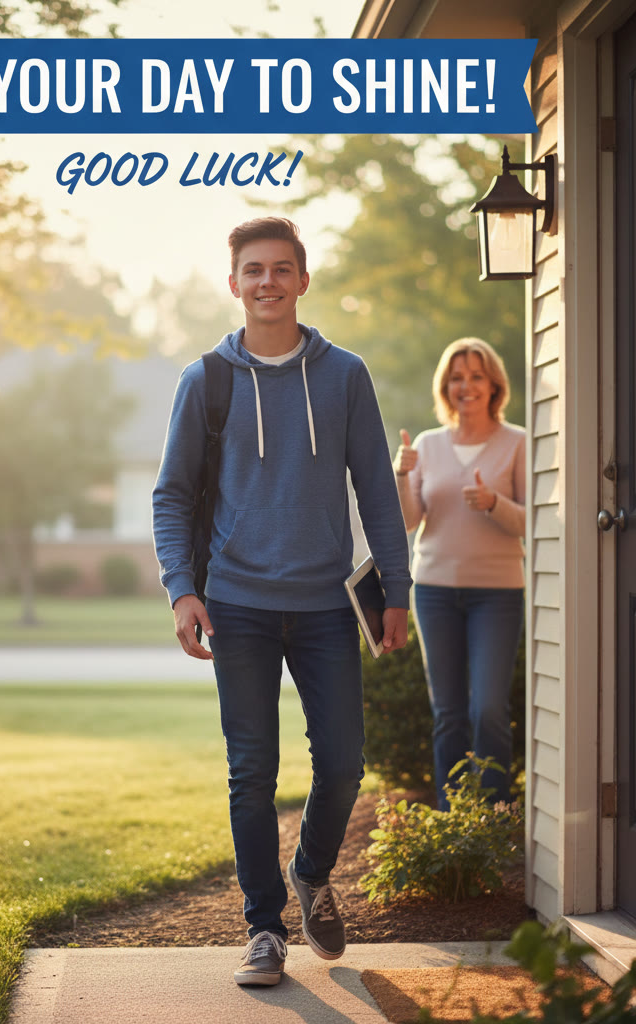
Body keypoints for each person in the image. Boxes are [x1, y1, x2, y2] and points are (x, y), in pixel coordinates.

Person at [152, 217, 411, 988]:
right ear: (234, 283)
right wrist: (182, 591)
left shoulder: (345, 375)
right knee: (251, 770)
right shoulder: (207, 380)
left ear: (303, 279)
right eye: (253, 270)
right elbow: (171, 496)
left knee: (341, 764)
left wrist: (394, 590)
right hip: (238, 605)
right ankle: (264, 928)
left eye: (282, 269)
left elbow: (376, 490)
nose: (267, 282)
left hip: (328, 605)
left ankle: (311, 872)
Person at [392, 337, 525, 811]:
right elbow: (409, 521)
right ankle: (452, 817)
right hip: (434, 592)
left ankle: (491, 815)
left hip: (499, 593)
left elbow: (535, 522)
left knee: (488, 707)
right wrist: (403, 475)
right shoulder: (426, 445)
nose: (465, 385)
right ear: (445, 387)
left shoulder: (518, 443)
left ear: (494, 386)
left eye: (475, 376)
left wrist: (495, 504)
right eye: (456, 377)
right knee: (447, 713)